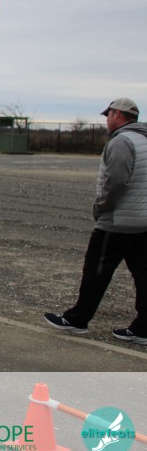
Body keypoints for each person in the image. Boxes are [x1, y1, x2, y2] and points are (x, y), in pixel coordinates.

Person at [44, 97, 147, 345]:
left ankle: (78, 320)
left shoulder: (122, 141)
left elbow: (116, 181)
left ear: (118, 114)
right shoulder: (144, 139)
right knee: (143, 274)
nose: (106, 120)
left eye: (108, 115)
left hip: (117, 221)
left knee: (96, 270)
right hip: (143, 221)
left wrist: (100, 208)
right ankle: (143, 329)